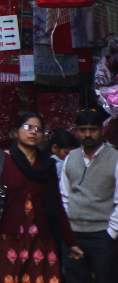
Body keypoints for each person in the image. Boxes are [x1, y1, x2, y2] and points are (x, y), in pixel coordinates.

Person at [0, 112, 83, 283]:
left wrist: (71, 242)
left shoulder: (47, 167)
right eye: (28, 127)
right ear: (16, 132)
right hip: (7, 239)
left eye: (38, 129)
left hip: (42, 241)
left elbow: (57, 208)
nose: (33, 132)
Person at [59, 109, 118, 283]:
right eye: (83, 129)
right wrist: (67, 228)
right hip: (73, 234)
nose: (87, 134)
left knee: (107, 279)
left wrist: (111, 233)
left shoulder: (114, 158)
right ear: (76, 131)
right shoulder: (71, 158)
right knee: (74, 279)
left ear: (102, 130)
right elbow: (64, 196)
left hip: (102, 235)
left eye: (92, 129)